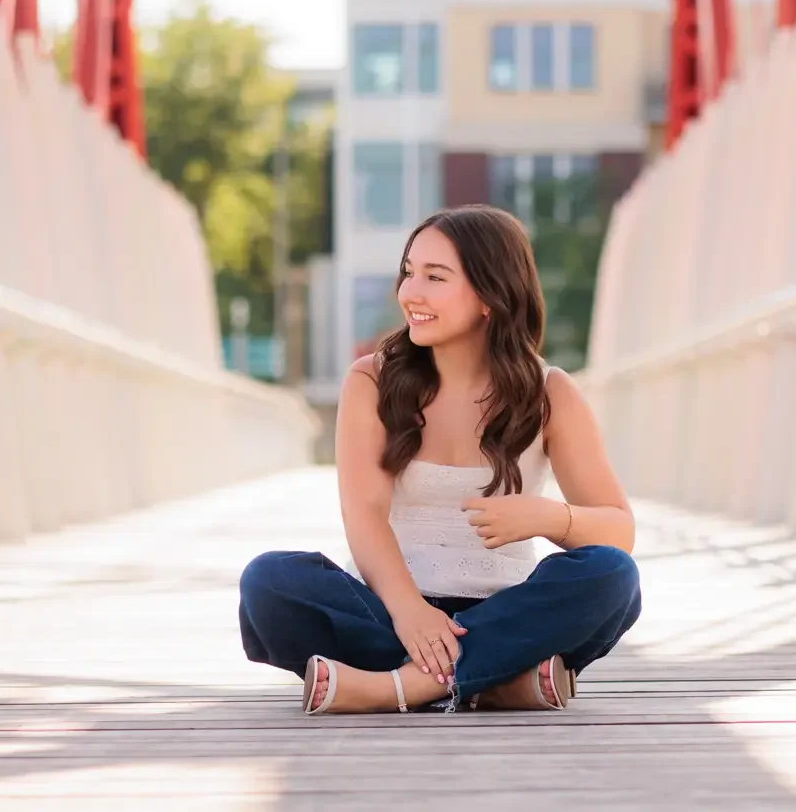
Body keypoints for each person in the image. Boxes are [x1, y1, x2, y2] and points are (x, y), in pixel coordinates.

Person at [238, 205, 641, 714]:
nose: (411, 293)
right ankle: (494, 680)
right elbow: (363, 515)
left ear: (490, 296)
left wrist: (547, 519)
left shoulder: (550, 393)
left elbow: (619, 533)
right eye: (408, 272)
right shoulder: (372, 380)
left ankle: (401, 686)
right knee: (269, 582)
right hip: (389, 610)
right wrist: (410, 612)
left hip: (509, 610)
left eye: (435, 276)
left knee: (612, 577)